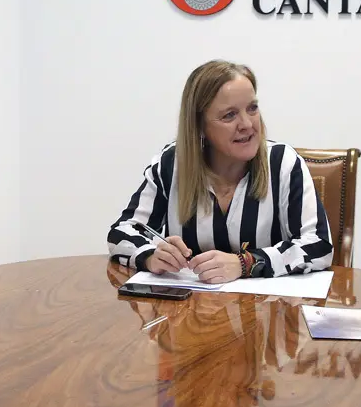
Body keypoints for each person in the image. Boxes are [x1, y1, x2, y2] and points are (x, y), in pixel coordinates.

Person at [107, 59, 333, 283]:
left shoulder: (282, 162)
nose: (247, 124)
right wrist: (150, 255)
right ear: (199, 126)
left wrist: (246, 263)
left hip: (266, 312)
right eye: (229, 115)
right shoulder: (172, 163)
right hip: (191, 311)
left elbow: (318, 245)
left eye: (252, 108)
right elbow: (122, 232)